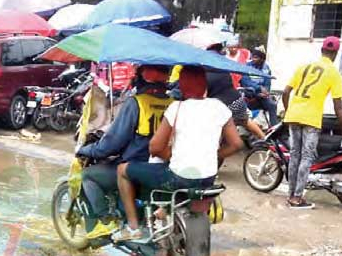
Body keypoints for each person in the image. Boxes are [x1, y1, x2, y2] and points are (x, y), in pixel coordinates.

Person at [113, 66, 243, 241]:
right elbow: (236, 144)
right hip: (208, 178)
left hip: (180, 178)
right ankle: (163, 210)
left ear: (182, 85)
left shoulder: (177, 108)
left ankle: (133, 226)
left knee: (123, 170)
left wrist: (172, 156)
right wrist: (215, 155)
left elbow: (155, 148)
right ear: (205, 84)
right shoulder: (219, 107)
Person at [75, 65, 173, 239]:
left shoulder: (136, 103)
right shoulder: (173, 104)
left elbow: (111, 145)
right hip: (161, 167)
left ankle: (105, 221)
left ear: (141, 79)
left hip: (134, 167)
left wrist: (88, 150)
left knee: (89, 175)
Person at [281, 36, 342, 209]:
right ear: (336, 53)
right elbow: (339, 108)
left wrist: (289, 111)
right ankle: (297, 198)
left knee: (295, 155)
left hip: (293, 115)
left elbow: (286, 92)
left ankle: (290, 194)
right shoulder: (333, 73)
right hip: (311, 119)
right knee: (307, 157)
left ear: (322, 50)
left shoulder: (303, 67)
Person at [205, 43, 266, 140]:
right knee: (245, 122)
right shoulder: (223, 63)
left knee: (219, 127)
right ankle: (265, 140)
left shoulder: (207, 65)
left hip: (222, 103)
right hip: (233, 98)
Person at [240, 47, 279, 127]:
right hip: (250, 95)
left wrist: (266, 92)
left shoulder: (266, 68)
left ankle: (274, 128)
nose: (253, 59)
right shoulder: (247, 67)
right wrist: (259, 88)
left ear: (262, 59)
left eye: (256, 57)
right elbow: (245, 81)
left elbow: (267, 82)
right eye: (253, 57)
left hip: (262, 97)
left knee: (272, 105)